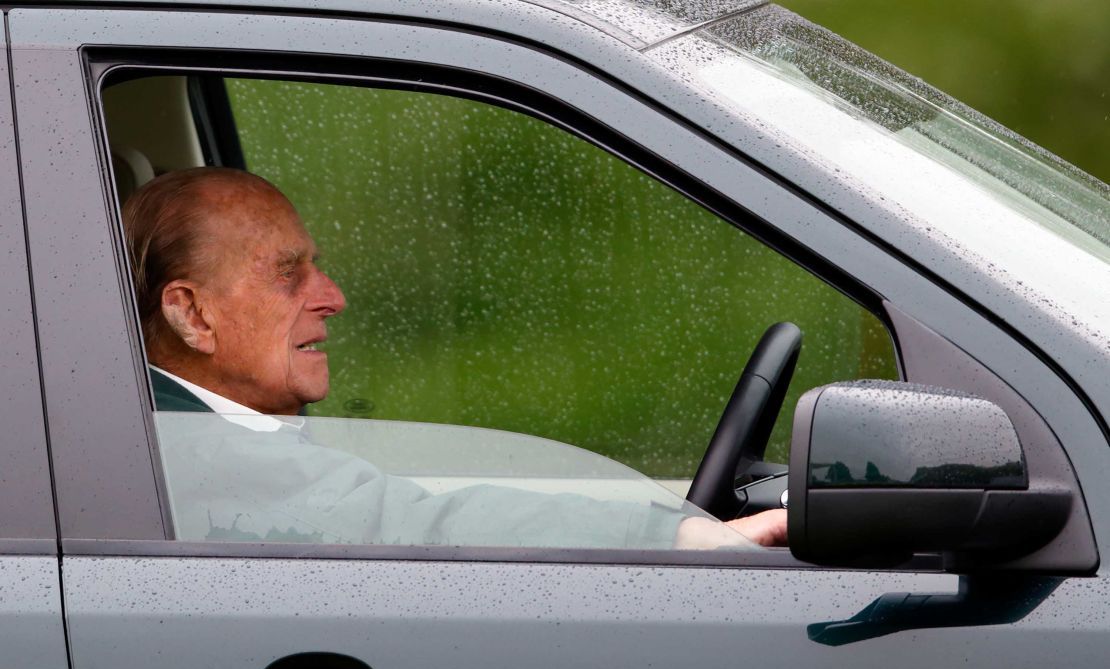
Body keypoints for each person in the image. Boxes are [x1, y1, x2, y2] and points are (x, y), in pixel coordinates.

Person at [124, 167, 788, 549]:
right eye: (288, 274)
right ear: (192, 314)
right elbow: (411, 522)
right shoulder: (184, 452)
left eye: (317, 269)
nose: (333, 297)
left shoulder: (170, 430)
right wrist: (679, 539)